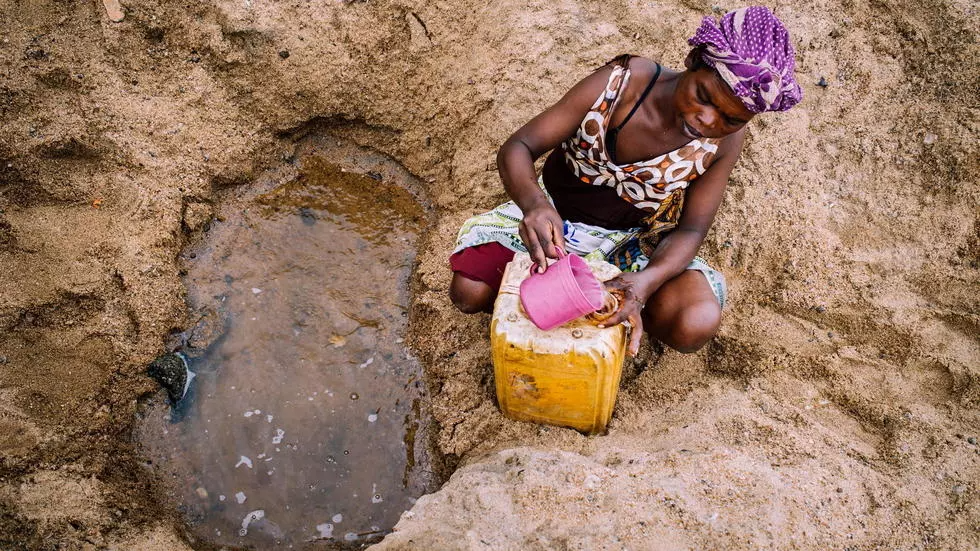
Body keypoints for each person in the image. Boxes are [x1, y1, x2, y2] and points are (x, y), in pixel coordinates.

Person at [449, 6, 802, 356]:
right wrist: (534, 206)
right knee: (470, 291)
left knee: (694, 322)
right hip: (552, 224)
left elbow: (691, 230)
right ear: (694, 60)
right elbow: (518, 147)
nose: (708, 120)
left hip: (631, 244)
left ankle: (609, 311)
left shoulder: (721, 143)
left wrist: (643, 284)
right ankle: (555, 299)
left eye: (731, 118)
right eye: (704, 97)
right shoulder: (623, 84)